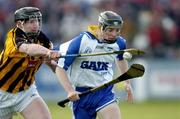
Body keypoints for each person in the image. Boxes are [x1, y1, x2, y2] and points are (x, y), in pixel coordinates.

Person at [55, 11, 134, 119]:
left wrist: (127, 82)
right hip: (81, 94)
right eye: (110, 30)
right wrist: (70, 90)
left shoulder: (119, 43)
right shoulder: (82, 41)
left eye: (117, 30)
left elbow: (121, 60)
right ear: (101, 27)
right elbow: (60, 68)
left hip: (104, 91)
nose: (114, 34)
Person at [0, 7, 60, 119]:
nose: (36, 25)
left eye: (37, 21)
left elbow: (51, 63)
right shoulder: (13, 37)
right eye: (31, 22)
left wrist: (69, 82)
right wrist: (48, 52)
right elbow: (28, 49)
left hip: (25, 92)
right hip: (2, 92)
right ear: (19, 24)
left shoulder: (44, 41)